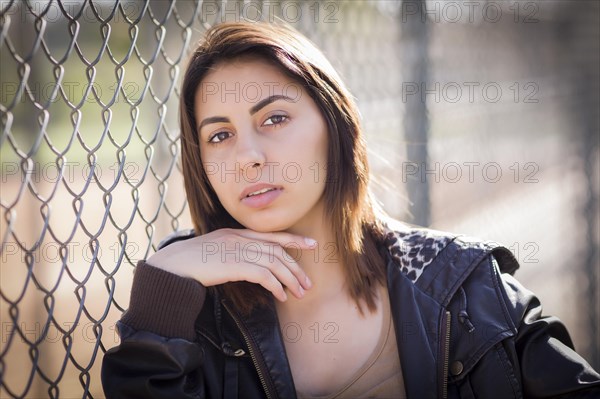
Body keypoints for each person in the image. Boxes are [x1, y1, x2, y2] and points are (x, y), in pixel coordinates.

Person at [101, 21, 600, 398]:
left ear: (334, 125)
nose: (247, 157)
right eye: (220, 135)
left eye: (274, 118)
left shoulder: (463, 288)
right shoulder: (195, 315)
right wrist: (163, 280)